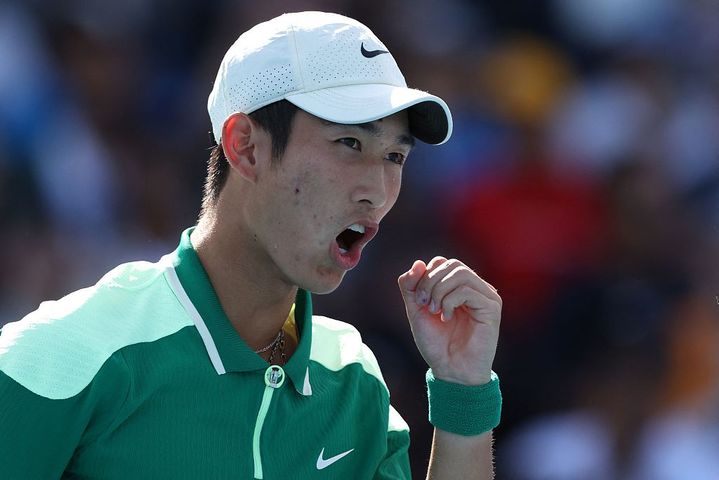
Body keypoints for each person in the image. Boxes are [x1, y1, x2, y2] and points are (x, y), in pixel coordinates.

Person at [0, 11, 502, 479]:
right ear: (245, 146)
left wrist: (463, 390)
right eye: (349, 143)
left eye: (395, 156)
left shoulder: (355, 379)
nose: (377, 190)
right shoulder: (59, 359)